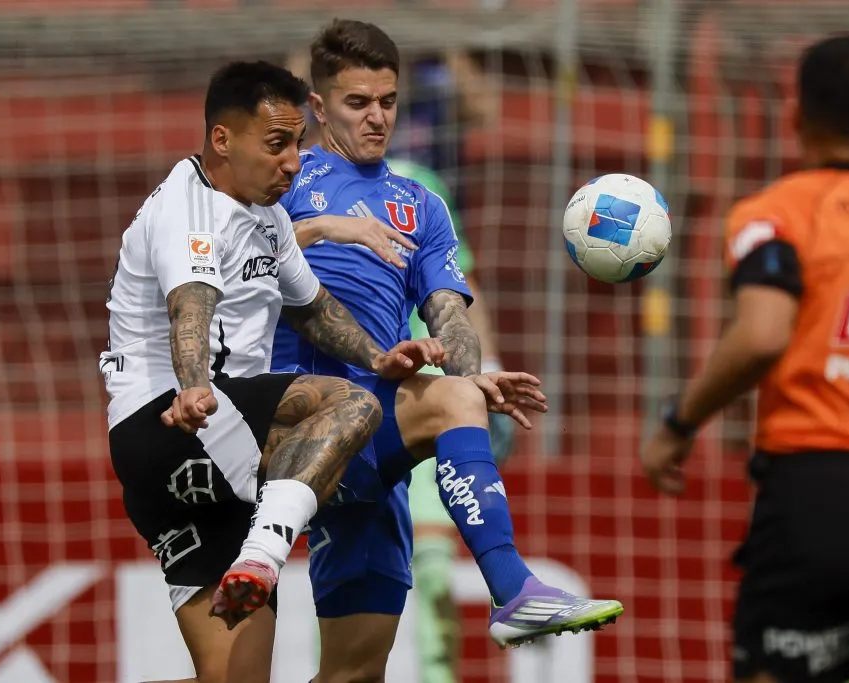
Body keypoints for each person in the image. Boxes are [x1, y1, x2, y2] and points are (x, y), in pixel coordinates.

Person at [271, 19, 623, 682]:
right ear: (317, 107)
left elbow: (448, 309)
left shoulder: (421, 202)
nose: (377, 118)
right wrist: (320, 229)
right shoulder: (280, 181)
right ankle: (513, 588)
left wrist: (475, 374)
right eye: (357, 103)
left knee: (352, 673)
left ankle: (511, 588)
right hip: (287, 420)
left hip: (370, 440)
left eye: (388, 101)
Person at [101, 60, 443, 683]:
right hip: (178, 418)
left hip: (185, 453)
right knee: (353, 408)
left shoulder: (268, 215)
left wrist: (377, 355)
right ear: (223, 139)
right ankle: (265, 551)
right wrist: (195, 386)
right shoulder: (190, 208)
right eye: (277, 144)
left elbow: (311, 307)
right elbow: (190, 306)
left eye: (297, 145)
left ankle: (255, 549)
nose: (292, 162)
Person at [639, 34, 849, 683]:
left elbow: (760, 335)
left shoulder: (776, 213)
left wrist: (679, 422)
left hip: (820, 487)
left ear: (796, 116)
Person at [389, 156, 516, 683]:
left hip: (431, 400)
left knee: (435, 570)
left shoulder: (421, 182)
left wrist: (486, 367)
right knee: (354, 569)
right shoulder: (300, 180)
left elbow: (461, 286)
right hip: (356, 398)